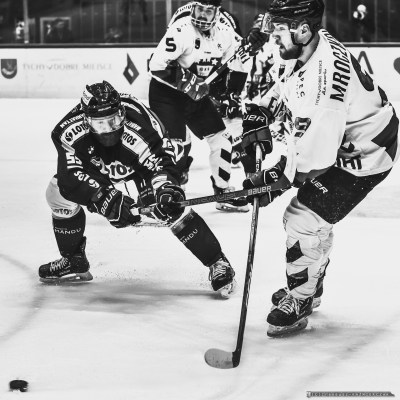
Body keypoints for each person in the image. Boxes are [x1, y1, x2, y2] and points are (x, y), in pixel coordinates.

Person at [240, 0, 399, 336]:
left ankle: (300, 298)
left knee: (302, 218)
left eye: (278, 28)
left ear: (302, 29)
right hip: (353, 139)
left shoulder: (324, 86)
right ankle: (311, 284)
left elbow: (312, 164)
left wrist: (274, 180)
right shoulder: (307, 46)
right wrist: (264, 110)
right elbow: (290, 86)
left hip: (366, 155)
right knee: (315, 219)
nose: (271, 36)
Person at [38, 81, 237, 299]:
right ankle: (73, 259)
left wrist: (166, 189)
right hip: (96, 165)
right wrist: (105, 199)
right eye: (100, 124)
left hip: (139, 166)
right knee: (57, 194)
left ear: (122, 114)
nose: (109, 129)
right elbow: (70, 177)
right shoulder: (67, 132)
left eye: (114, 120)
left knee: (168, 207)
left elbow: (160, 164)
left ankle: (217, 261)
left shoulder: (140, 129)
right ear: (86, 121)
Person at [149, 0, 268, 213]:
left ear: (217, 13)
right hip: (167, 96)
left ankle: (222, 192)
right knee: (176, 147)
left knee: (222, 139)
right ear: (192, 8)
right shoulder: (181, 30)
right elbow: (156, 65)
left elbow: (238, 60)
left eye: (208, 11)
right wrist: (188, 82)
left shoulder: (225, 32)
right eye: (199, 9)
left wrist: (250, 48)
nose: (202, 15)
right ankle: (166, 193)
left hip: (196, 96)